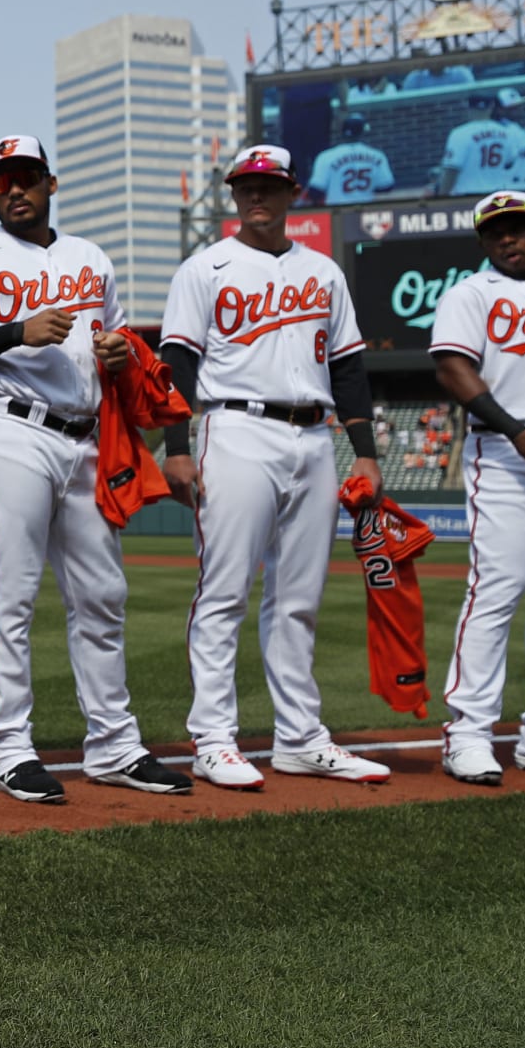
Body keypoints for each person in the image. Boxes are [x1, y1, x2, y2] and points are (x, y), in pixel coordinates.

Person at [0, 136, 190, 804]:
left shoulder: (90, 258)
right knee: (9, 597)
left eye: (26, 177)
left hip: (87, 437)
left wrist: (118, 352)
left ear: (50, 184)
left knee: (102, 594)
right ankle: (11, 747)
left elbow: (122, 340)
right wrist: (15, 331)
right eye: (1, 180)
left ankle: (114, 745)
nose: (14, 189)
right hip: (9, 429)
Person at [159, 145, 389, 789]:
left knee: (299, 599)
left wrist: (365, 452)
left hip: (314, 438)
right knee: (225, 590)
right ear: (233, 194)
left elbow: (346, 367)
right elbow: (176, 362)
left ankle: (299, 739)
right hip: (235, 428)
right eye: (245, 186)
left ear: (292, 193)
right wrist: (176, 447)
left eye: (269, 185)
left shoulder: (324, 271)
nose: (256, 195)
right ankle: (213, 738)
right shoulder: (204, 269)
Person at [428, 190, 525, 783]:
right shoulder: (472, 294)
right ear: (483, 243)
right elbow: (451, 367)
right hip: (512, 458)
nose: (507, 240)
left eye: (517, 229)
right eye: (495, 234)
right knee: (493, 595)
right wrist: (518, 432)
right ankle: (466, 733)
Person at [438, 89, 525, 196]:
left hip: (468, 197)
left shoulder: (459, 133)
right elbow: (510, 162)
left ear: (469, 108)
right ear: (491, 107)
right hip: (498, 196)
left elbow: (451, 170)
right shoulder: (506, 132)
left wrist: (441, 198)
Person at [304, 114, 396, 206]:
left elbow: (315, 191)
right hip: (366, 211)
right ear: (362, 132)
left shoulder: (326, 156)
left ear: (342, 133)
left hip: (336, 212)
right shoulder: (377, 155)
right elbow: (387, 186)